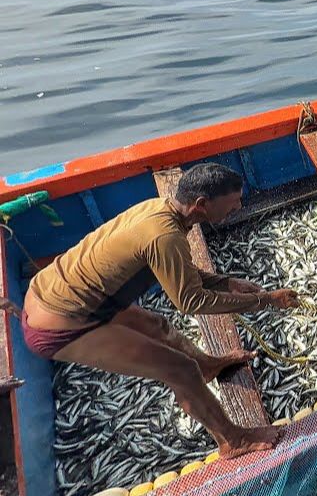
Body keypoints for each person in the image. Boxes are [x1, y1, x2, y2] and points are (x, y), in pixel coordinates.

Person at [20, 163, 297, 459]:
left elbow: (181, 272)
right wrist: (265, 300)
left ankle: (208, 365)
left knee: (156, 326)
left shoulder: (160, 210)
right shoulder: (164, 236)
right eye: (232, 203)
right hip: (60, 325)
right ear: (201, 205)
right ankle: (232, 440)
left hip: (56, 292)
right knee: (180, 370)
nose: (238, 206)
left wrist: (226, 282)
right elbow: (191, 301)